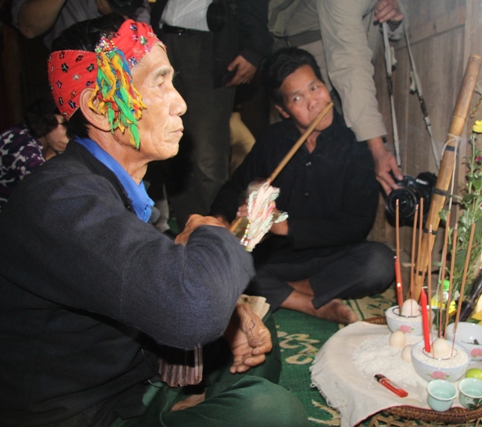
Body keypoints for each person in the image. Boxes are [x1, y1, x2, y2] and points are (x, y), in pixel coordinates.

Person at [0, 15, 307, 427]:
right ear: (100, 108)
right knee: (270, 411)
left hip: (131, 383)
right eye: (159, 83)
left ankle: (189, 401)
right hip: (84, 414)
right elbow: (192, 307)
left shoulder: (108, 186)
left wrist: (226, 313)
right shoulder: (59, 199)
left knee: (251, 328)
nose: (180, 103)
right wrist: (210, 230)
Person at [210, 47, 395, 325]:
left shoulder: (354, 142)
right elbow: (234, 187)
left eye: (315, 88)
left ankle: (288, 292)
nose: (313, 103)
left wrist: (285, 226)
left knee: (380, 263)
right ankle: (308, 303)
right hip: (278, 258)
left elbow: (356, 223)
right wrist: (222, 220)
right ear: (283, 110)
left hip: (333, 257)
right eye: (297, 98)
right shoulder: (273, 140)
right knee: (223, 259)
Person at [148, 0, 272, 229]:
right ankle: (189, 235)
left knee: (208, 160)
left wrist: (255, 47)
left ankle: (216, 237)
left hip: (209, 42)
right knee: (171, 155)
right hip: (163, 38)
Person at [272, 0, 407, 194]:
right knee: (302, 173)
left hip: (346, 71)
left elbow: (402, 22)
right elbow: (350, 67)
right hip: (309, 67)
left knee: (350, 169)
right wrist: (378, 149)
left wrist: (395, 14)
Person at [0, 97, 68, 211]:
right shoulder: (19, 144)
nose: (70, 134)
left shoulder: (51, 143)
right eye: (65, 124)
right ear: (46, 117)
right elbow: (49, 189)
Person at [12, 0, 151, 49]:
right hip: (68, 75)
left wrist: (115, 14)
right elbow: (28, 28)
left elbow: (144, 43)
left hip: (120, 76)